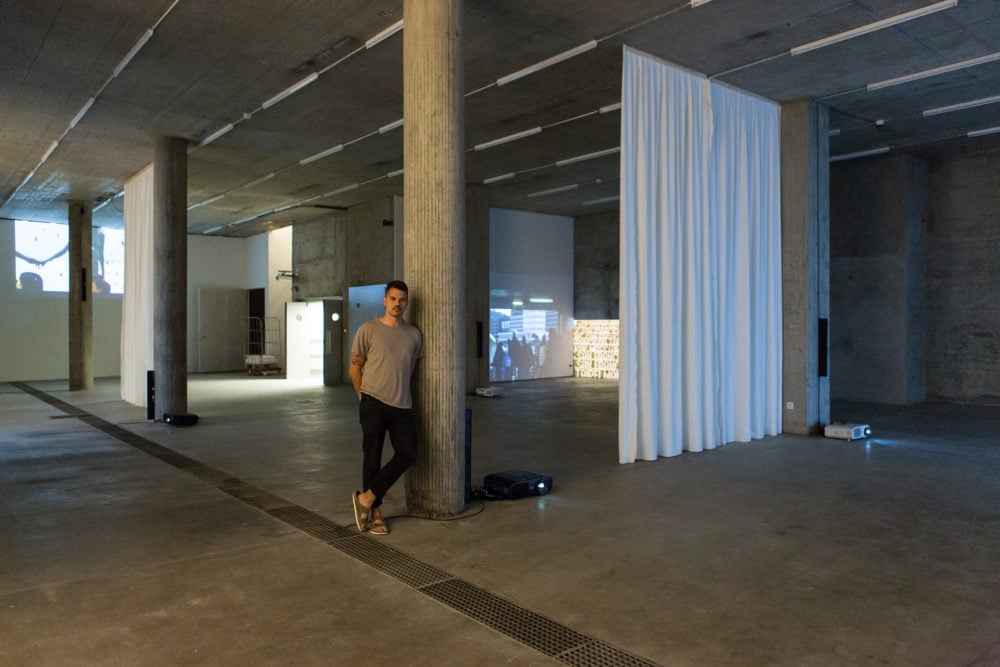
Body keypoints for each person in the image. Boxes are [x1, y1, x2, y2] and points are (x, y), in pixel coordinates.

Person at [349, 280, 423, 535]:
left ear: (406, 302)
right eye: (392, 299)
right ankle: (376, 515)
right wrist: (363, 398)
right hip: (373, 402)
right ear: (384, 300)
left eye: (402, 300)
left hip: (402, 404)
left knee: (409, 453)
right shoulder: (368, 330)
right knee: (373, 457)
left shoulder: (413, 335)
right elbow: (355, 368)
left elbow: (410, 370)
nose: (397, 304)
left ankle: (367, 498)